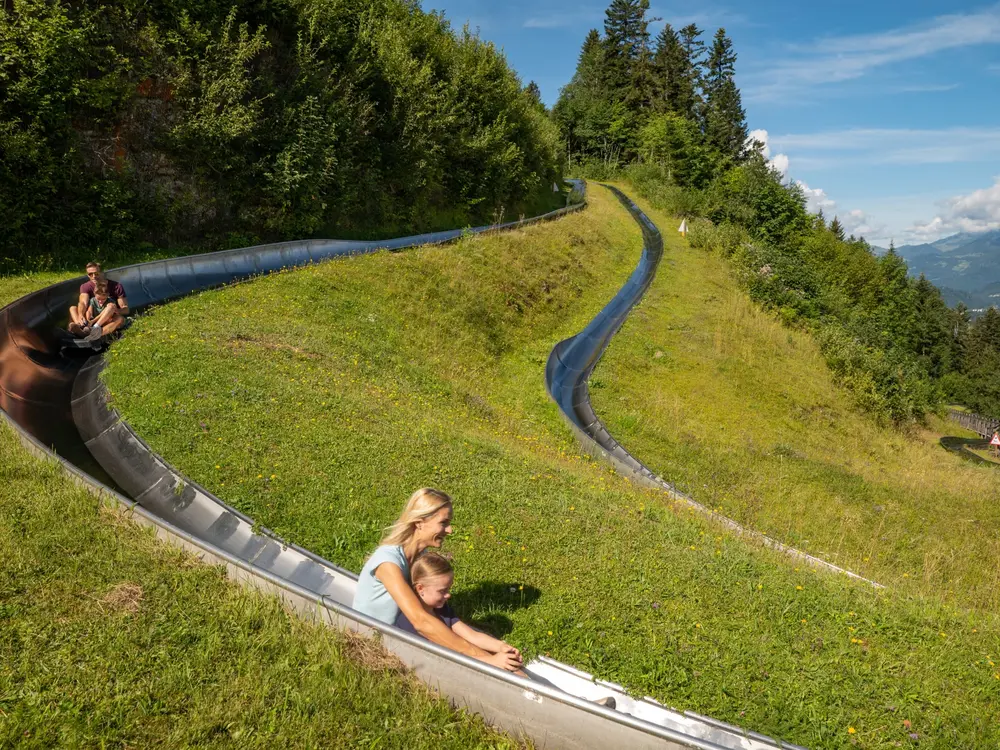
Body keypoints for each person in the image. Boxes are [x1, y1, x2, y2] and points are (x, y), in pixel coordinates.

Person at [352, 488, 522, 672]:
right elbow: (420, 620)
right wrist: (479, 657)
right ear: (420, 523)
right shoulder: (388, 562)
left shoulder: (420, 559)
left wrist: (494, 647)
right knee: (479, 656)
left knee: (488, 654)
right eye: (443, 523)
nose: (449, 530)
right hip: (371, 640)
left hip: (401, 634)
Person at [395, 552, 524, 670]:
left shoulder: (441, 610)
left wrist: (501, 646)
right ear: (420, 588)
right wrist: (491, 661)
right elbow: (446, 658)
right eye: (442, 591)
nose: (448, 595)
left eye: (449, 589)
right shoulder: (409, 621)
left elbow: (472, 635)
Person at [68, 261, 129, 340]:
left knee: (119, 319)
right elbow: (83, 302)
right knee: (73, 308)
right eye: (90, 274)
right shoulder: (85, 286)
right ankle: (80, 328)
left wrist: (114, 310)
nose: (94, 276)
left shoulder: (116, 286)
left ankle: (96, 335)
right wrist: (80, 315)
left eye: (96, 273)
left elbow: (126, 309)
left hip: (109, 318)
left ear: (102, 273)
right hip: (92, 319)